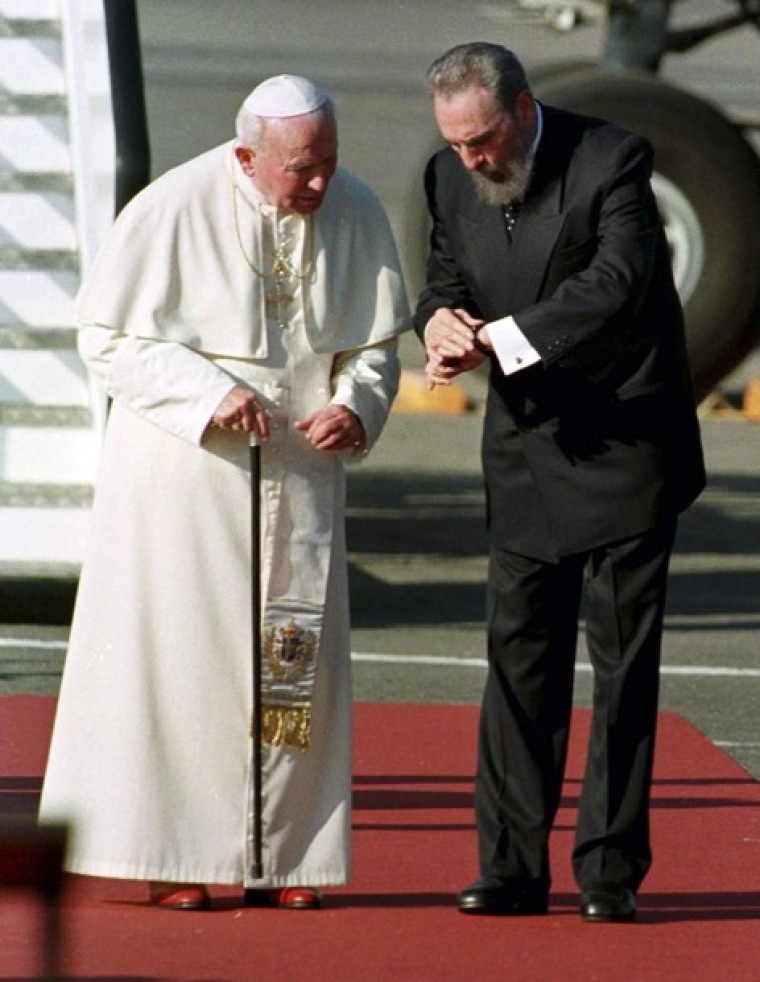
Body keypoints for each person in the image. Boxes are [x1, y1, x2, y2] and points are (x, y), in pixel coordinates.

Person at [39, 74, 409, 911]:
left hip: (301, 469)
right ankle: (175, 856)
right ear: (246, 155)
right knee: (185, 662)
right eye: (298, 169)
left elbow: (377, 343)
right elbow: (108, 336)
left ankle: (285, 859)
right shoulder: (172, 208)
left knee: (293, 663)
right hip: (190, 474)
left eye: (327, 163)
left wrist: (356, 404)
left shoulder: (351, 207)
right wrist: (207, 393)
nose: (318, 184)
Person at [415, 43, 705, 922]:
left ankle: (610, 871)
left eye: (484, 140)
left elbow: (620, 282)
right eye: (458, 145)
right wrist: (435, 324)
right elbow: (443, 278)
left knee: (622, 670)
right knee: (518, 662)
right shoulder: (446, 174)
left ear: (523, 107)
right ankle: (510, 866)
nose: (473, 161)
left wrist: (496, 342)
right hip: (524, 451)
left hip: (623, 445)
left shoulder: (610, 158)